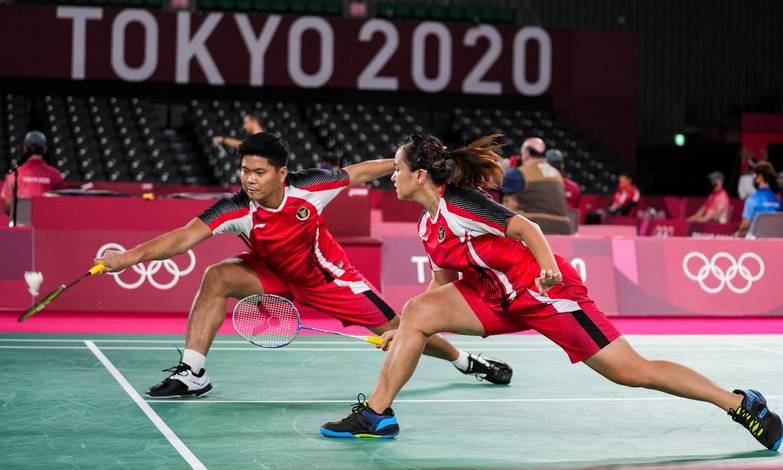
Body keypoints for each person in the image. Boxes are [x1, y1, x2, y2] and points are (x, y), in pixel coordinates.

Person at [320, 133, 782, 452]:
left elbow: (527, 228)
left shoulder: (461, 204)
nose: (392, 176)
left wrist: (547, 271)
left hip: (544, 294)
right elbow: (439, 287)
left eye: (398, 169)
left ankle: (740, 404)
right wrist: (407, 333)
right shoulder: (428, 224)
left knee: (630, 371)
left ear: (420, 175)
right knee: (416, 311)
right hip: (496, 298)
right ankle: (377, 415)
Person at [95, 132, 512, 398]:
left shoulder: (309, 188)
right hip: (271, 274)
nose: (249, 179)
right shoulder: (236, 208)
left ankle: (466, 362)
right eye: (244, 171)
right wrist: (128, 258)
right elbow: (183, 237)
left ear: (281, 173)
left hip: (329, 279)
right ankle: (193, 372)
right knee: (217, 276)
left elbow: (357, 173)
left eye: (259, 172)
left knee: (402, 330)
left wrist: (402, 166)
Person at [501, 137, 571, 234]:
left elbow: (495, 188)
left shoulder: (518, 174)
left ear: (526, 154)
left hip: (538, 228)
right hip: (564, 228)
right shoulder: (557, 174)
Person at [1, 130, 64, 216]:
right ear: (45, 149)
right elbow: (62, 203)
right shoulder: (55, 175)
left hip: (22, 221)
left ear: (25, 149)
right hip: (47, 221)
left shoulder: (14, 174)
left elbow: (7, 206)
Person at [735, 161, 781, 237]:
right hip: (775, 240)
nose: (753, 178)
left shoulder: (753, 199)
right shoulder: (778, 200)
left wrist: (737, 234)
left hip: (756, 241)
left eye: (754, 175)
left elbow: (744, 227)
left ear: (760, 177)